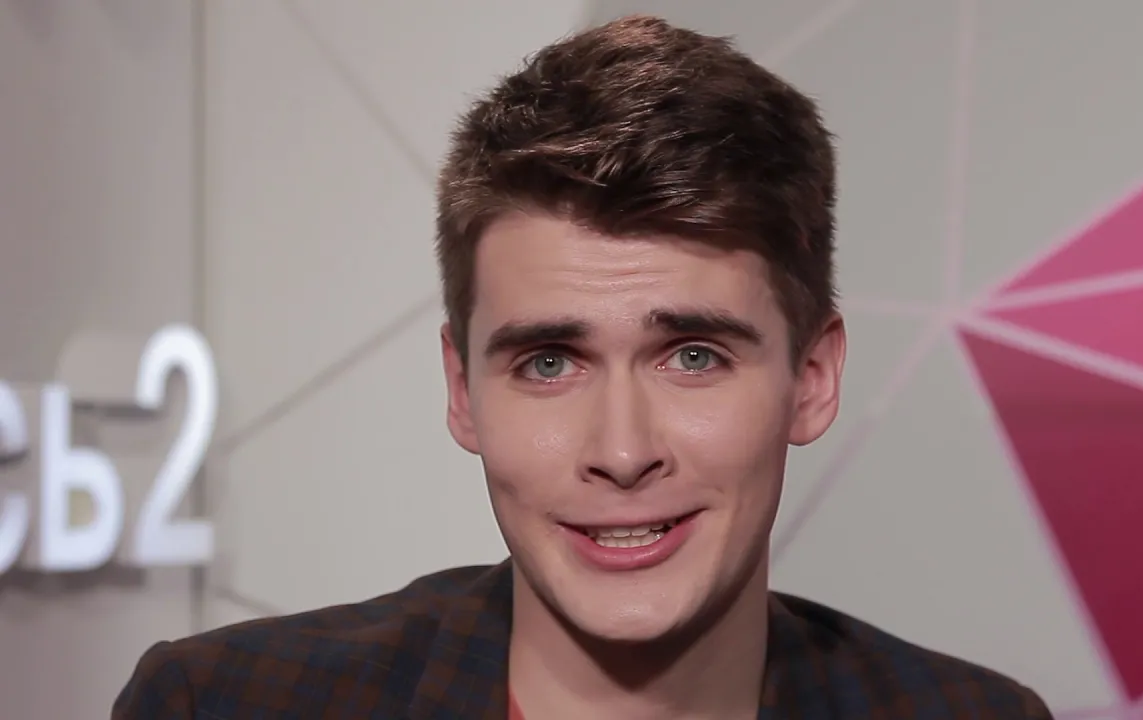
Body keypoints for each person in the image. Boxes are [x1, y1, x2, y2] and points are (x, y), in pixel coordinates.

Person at [113, 15, 1052, 719]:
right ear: (462, 391)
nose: (622, 450)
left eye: (693, 356)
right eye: (550, 363)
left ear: (812, 378)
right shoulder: (224, 705)